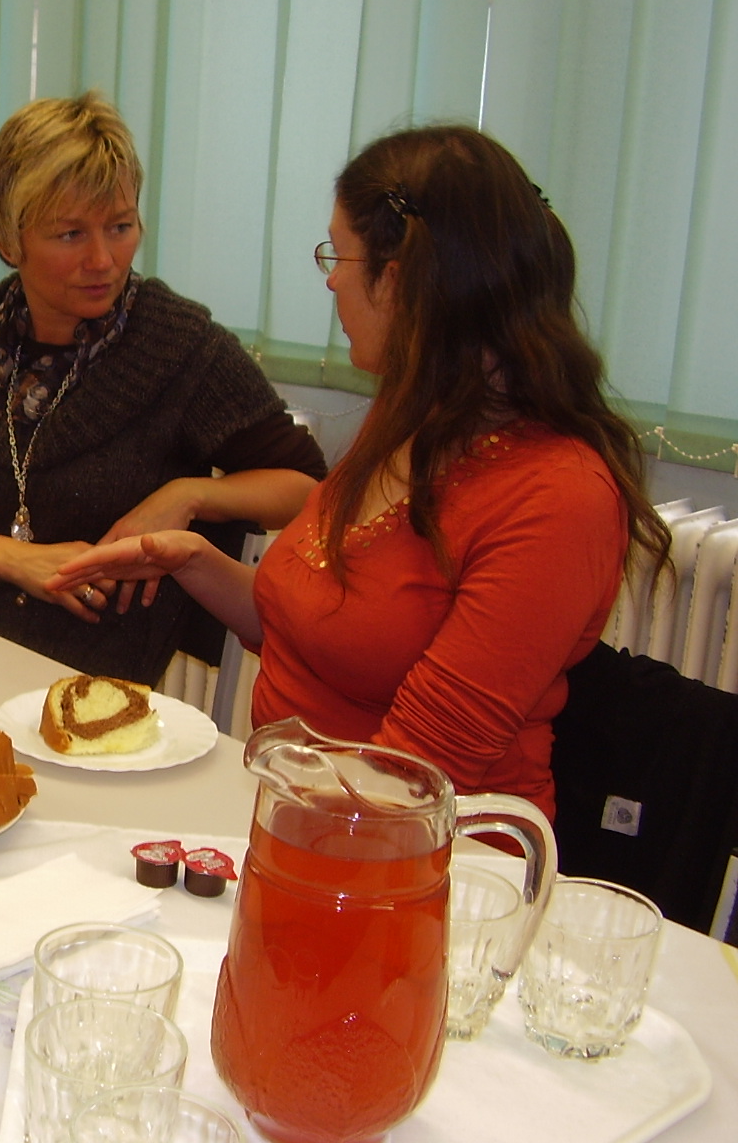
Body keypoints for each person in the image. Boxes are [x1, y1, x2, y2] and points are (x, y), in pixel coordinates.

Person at [50, 125, 671, 817]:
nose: (332, 278)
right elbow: (310, 627)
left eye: (339, 255)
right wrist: (191, 560)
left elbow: (409, 781)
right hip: (301, 810)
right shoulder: (409, 420)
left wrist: (231, 815)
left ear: (400, 281)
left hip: (425, 852)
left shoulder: (560, 497)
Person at [0, 92, 325, 684]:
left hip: (90, 688)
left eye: (120, 227)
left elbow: (307, 486)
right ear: (9, 238)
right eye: (70, 234)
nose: (104, 259)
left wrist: (190, 495)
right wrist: (16, 561)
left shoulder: (182, 345)